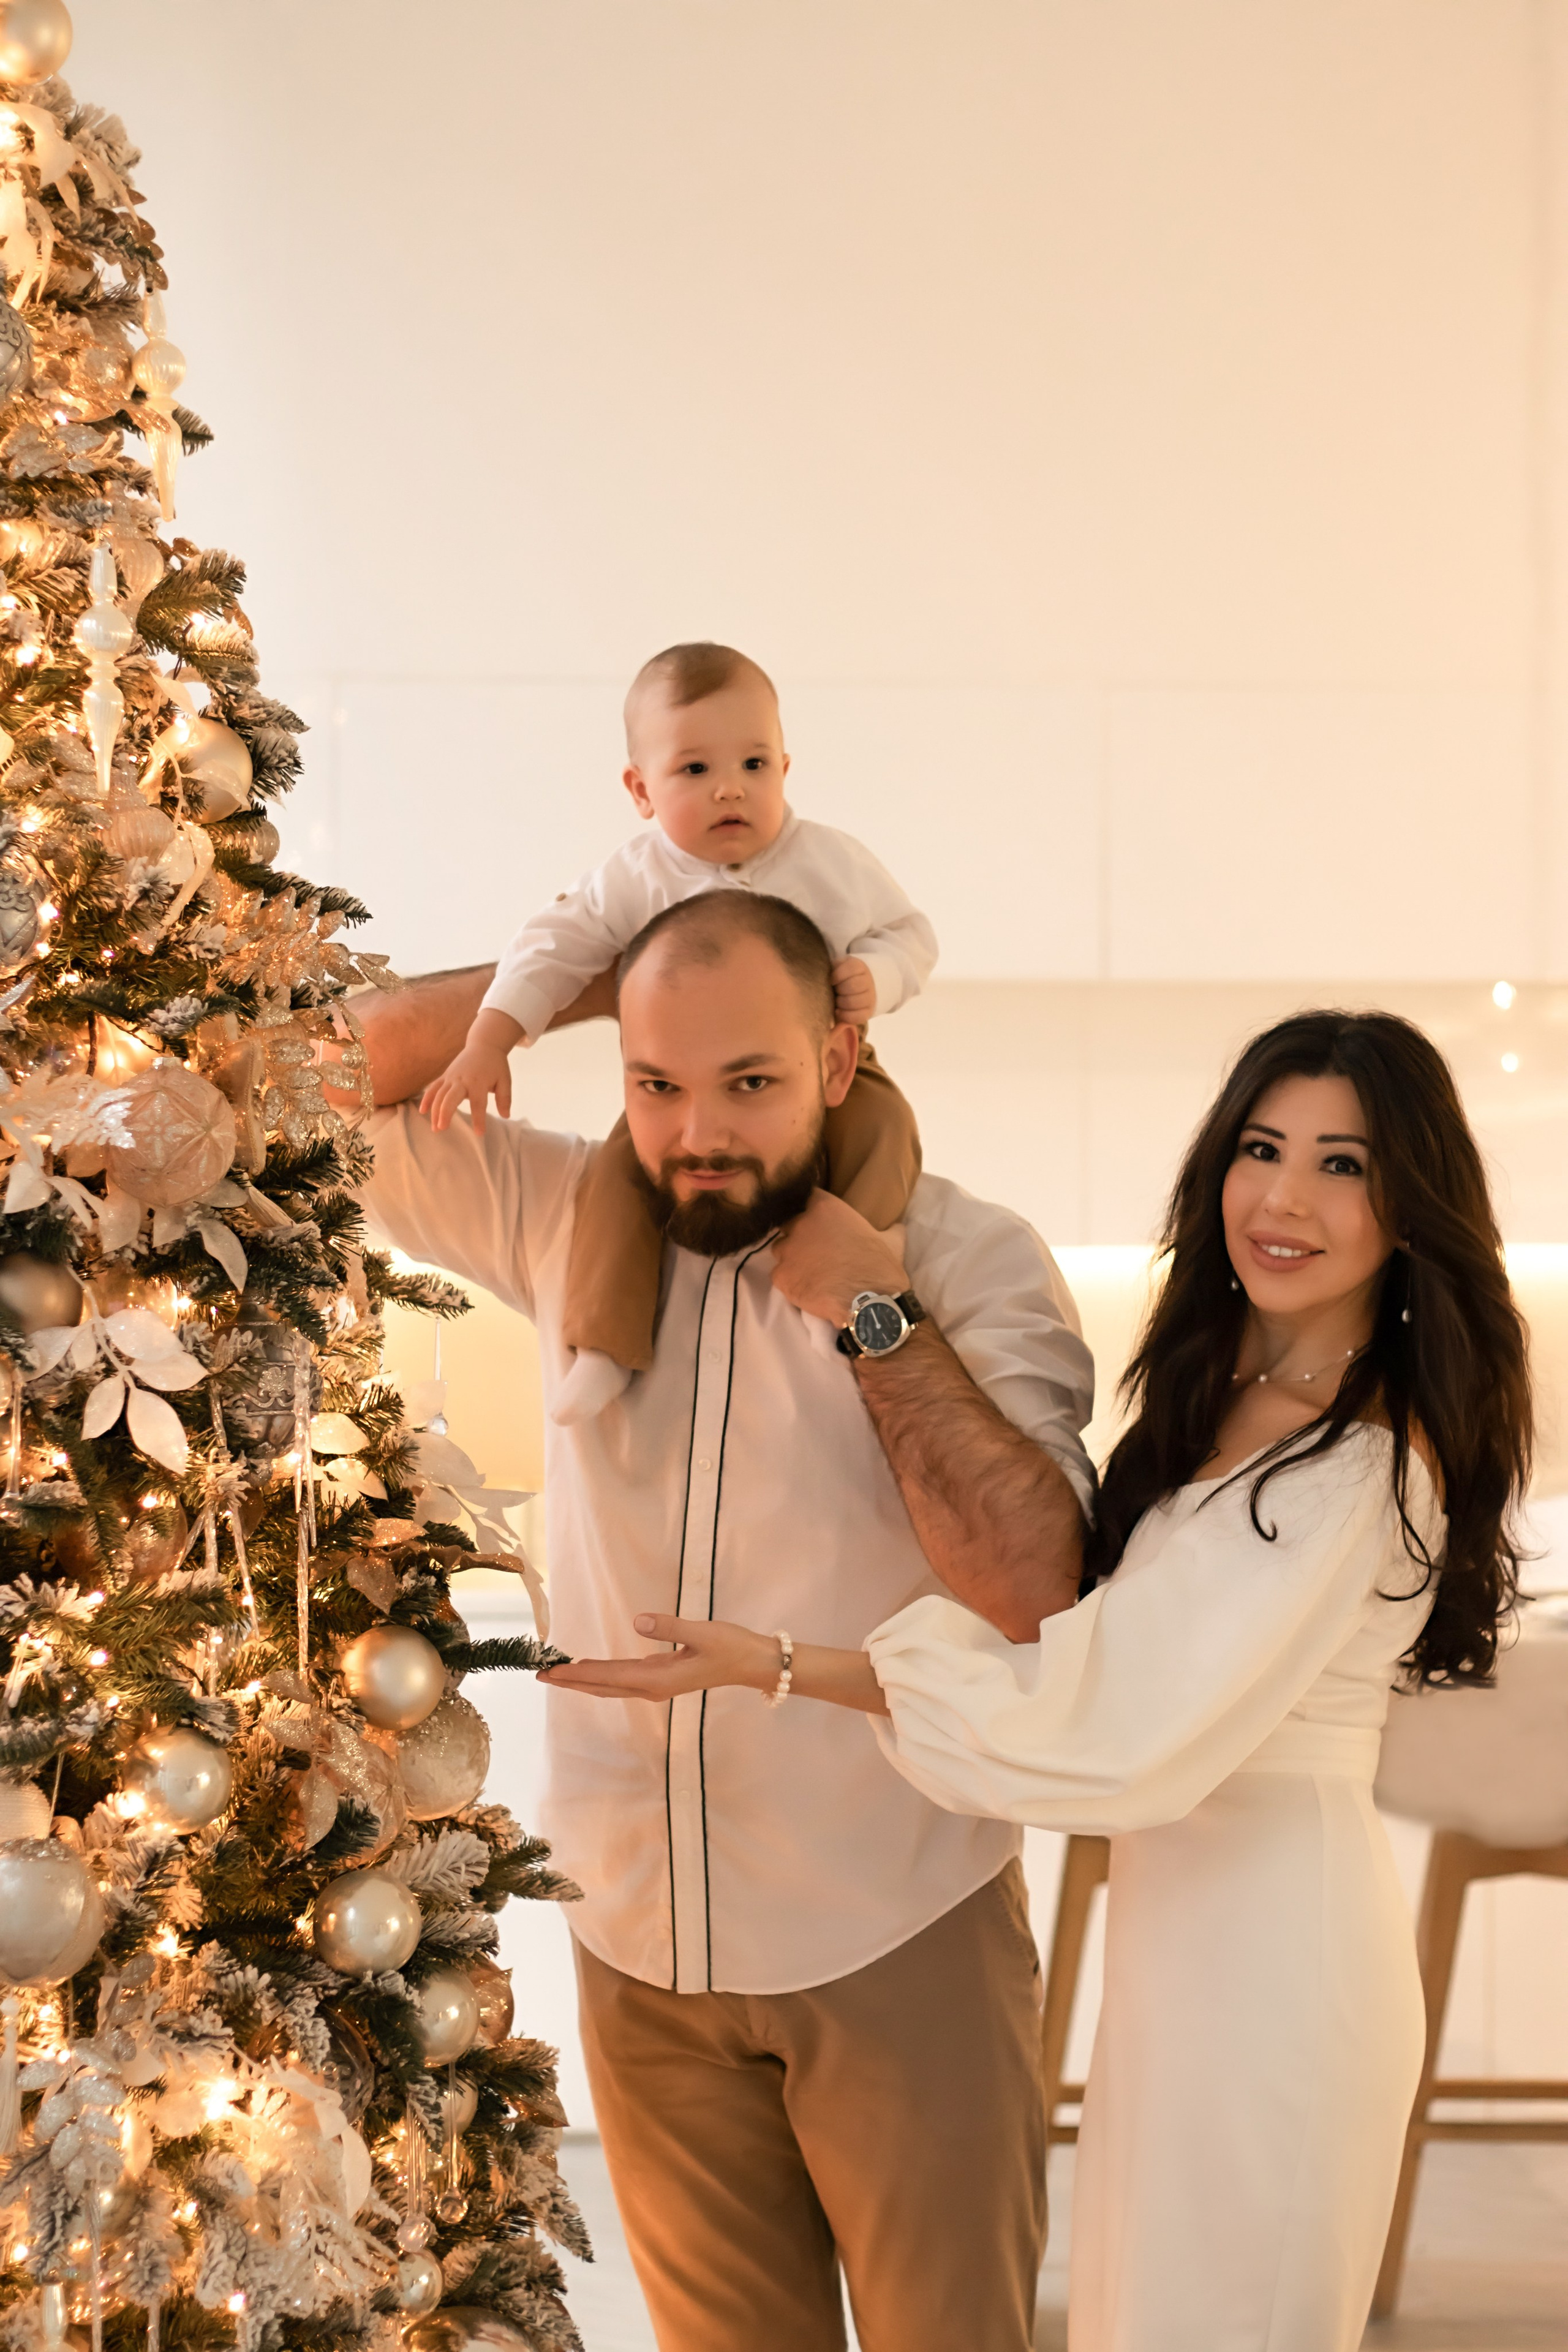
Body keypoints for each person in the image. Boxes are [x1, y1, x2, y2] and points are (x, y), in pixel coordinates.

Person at [548, 1009, 1532, 2352]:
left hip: (1279, 1956)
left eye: (1342, 1165)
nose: (1284, 1199)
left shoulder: (1355, 1460)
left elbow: (1101, 1728)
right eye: (1261, 1149)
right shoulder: (1228, 1401)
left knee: (1223, 2319)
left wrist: (777, 1664)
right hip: (1183, 1937)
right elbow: (1077, 1664)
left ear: (1412, 1208)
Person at [353, 890, 1095, 2352]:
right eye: (656, 1081)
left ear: (837, 1054)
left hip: (897, 1928)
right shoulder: (561, 1213)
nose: (698, 1131)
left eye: (748, 1080)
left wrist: (878, 1319)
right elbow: (288, 1086)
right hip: (637, 1950)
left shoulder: (965, 1257)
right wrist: (582, 977)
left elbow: (1035, 1589)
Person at [420, 641, 935, 1417]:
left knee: (886, 1131)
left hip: (830, 1058)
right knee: (615, 1188)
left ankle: (849, 1289)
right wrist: (488, 1040)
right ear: (641, 790)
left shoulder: (831, 861)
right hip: (677, 1082)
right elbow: (550, 948)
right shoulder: (635, 878)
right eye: (694, 769)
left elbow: (910, 934)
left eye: (754, 765)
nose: (730, 788)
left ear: (785, 769)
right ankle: (603, 1343)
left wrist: (878, 974)